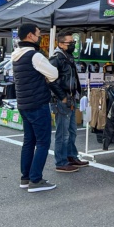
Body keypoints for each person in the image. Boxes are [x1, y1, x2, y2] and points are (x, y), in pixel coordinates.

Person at [11, 23, 60, 193]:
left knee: (28, 141)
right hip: (38, 104)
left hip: (23, 103)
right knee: (43, 142)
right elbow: (54, 74)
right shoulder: (34, 56)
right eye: (38, 34)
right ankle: (35, 180)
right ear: (30, 36)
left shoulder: (15, 55)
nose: (39, 37)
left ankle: (26, 177)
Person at [48, 31, 89, 173]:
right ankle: (61, 161)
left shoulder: (68, 57)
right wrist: (62, 97)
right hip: (61, 99)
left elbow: (74, 78)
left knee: (72, 130)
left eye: (73, 42)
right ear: (60, 44)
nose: (72, 45)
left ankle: (71, 156)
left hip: (70, 97)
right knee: (63, 132)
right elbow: (49, 80)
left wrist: (78, 92)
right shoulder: (56, 59)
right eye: (69, 43)